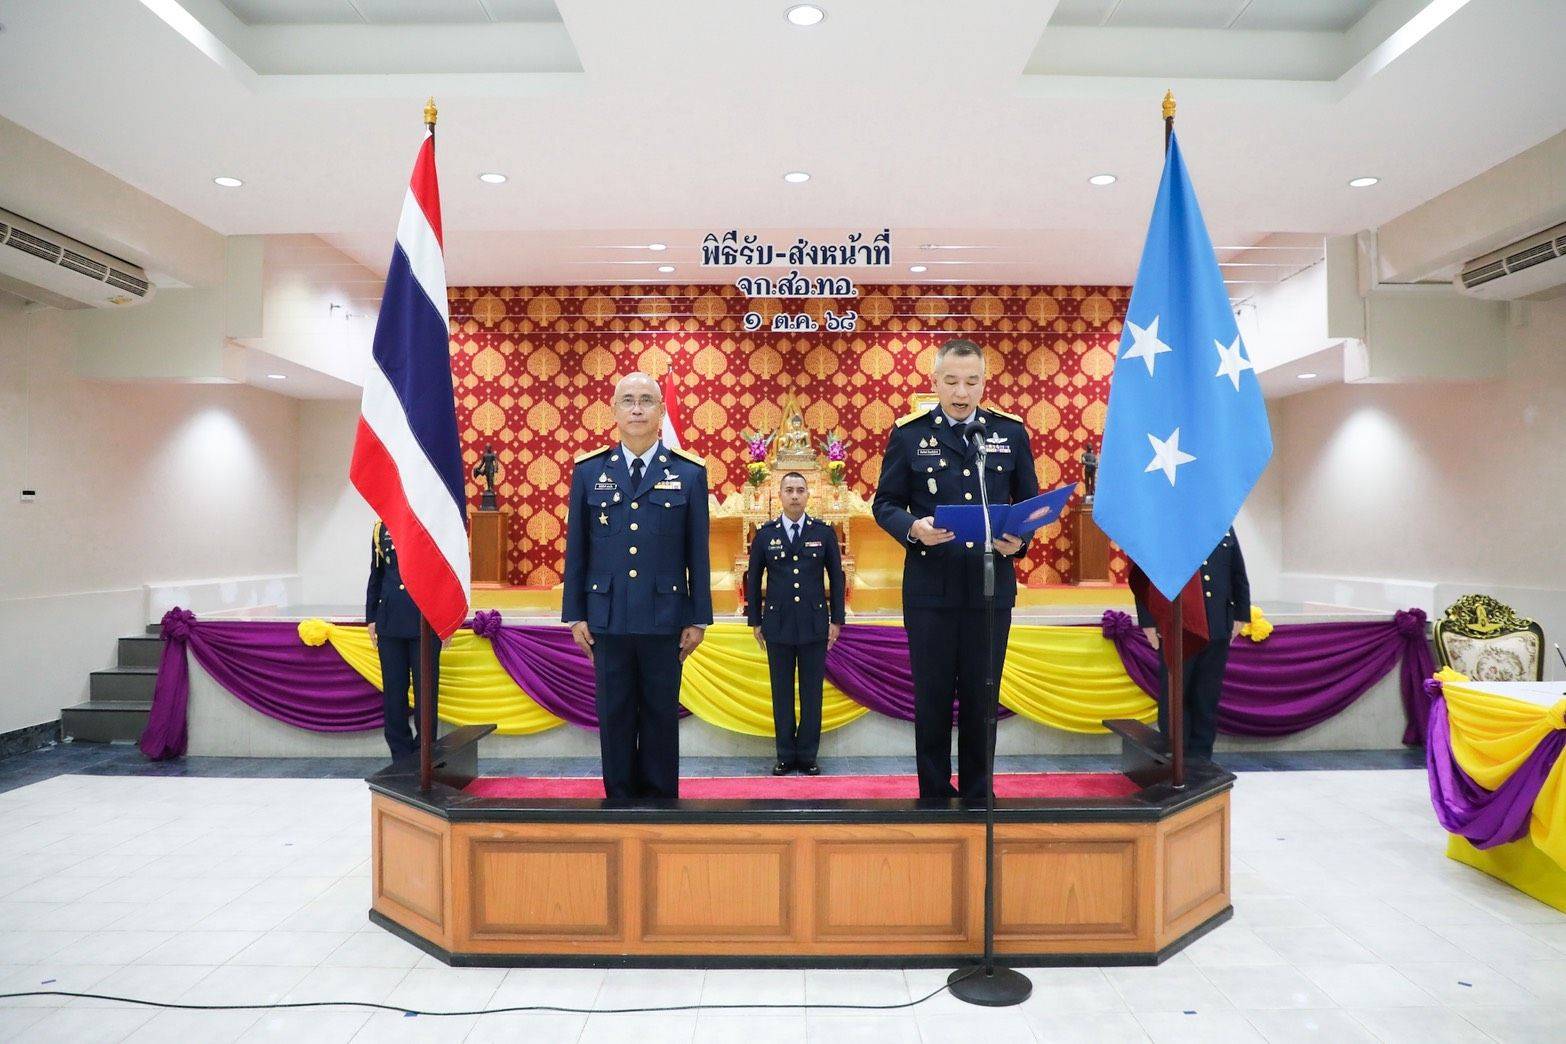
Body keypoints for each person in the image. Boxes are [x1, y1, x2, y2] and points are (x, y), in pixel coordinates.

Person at [872, 338, 1039, 802]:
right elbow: (885, 503)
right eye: (951, 381)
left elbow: (1028, 504)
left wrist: (1020, 540)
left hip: (990, 589)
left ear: (984, 383)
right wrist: (913, 528)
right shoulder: (910, 435)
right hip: (931, 592)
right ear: (935, 382)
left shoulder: (1008, 432)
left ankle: (979, 795)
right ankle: (933, 795)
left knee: (983, 699)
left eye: (971, 382)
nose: (961, 393)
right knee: (932, 697)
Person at [562, 372, 712, 799]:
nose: (637, 409)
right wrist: (575, 615)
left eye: (647, 400)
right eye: (628, 400)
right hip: (606, 618)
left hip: (666, 618)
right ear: (613, 410)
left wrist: (698, 617)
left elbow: (697, 552)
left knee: (661, 715)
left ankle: (661, 804)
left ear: (661, 411)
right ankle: (620, 802)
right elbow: (578, 550)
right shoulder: (590, 472)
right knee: (615, 715)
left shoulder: (688, 473)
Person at [745, 471, 846, 775]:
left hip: (814, 623)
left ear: (808, 495)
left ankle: (808, 755)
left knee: (812, 693)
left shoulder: (823, 532)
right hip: (777, 624)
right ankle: (786, 755)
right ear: (779, 495)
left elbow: (837, 578)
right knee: (782, 692)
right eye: (788, 490)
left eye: (800, 490)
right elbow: (753, 580)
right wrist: (755, 620)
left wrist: (837, 619)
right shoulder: (765, 534)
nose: (794, 496)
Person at [1137, 528, 1251, 766]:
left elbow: (1237, 571)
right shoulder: (1167, 526)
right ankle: (1176, 762)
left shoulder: (1223, 524)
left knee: (1207, 698)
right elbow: (1144, 573)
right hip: (1179, 626)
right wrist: (1148, 621)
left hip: (1217, 626)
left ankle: (1201, 762)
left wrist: (1241, 613)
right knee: (1176, 698)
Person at [366, 520, 439, 759]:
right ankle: (400, 755)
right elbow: (377, 574)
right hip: (390, 621)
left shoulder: (431, 521)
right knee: (394, 692)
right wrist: (371, 617)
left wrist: (447, 618)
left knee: (425, 692)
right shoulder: (381, 528)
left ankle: (423, 755)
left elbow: (445, 576)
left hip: (425, 620)